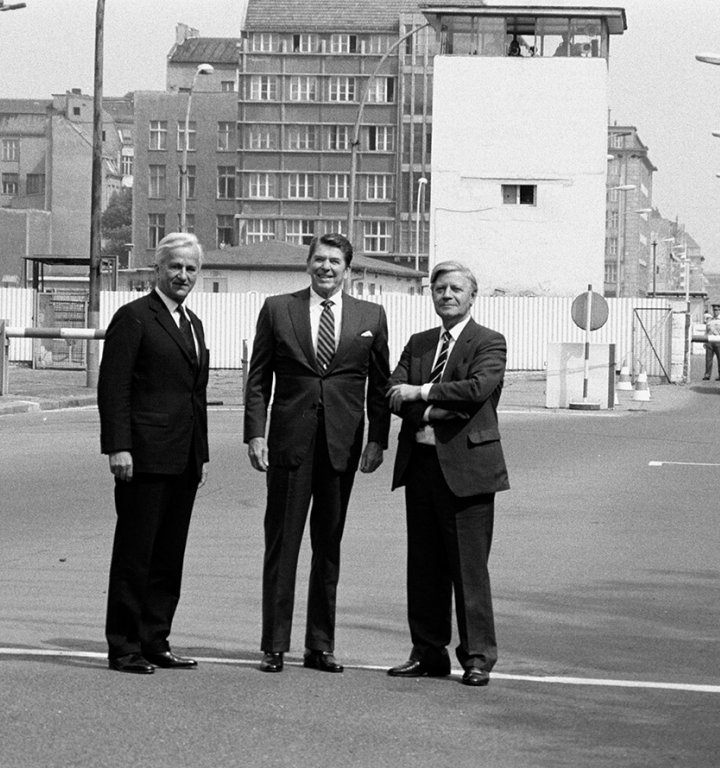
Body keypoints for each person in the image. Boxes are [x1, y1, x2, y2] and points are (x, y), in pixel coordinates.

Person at [243, 233, 390, 674]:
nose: (326, 267)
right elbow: (258, 379)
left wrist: (378, 439)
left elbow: (379, 386)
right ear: (308, 264)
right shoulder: (278, 309)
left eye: (335, 261)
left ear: (348, 269)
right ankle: (274, 644)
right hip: (290, 443)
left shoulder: (371, 316)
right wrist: (255, 434)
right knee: (283, 544)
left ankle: (320, 645)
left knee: (328, 546)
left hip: (341, 446)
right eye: (319, 259)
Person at [385, 261, 509, 687]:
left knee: (468, 570)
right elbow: (391, 393)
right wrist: (433, 409)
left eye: (456, 288)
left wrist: (420, 393)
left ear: (472, 296)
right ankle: (427, 652)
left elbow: (476, 392)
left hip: (468, 472)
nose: (447, 295)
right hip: (420, 468)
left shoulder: (488, 342)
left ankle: (477, 658)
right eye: (440, 289)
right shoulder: (419, 344)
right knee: (423, 567)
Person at [98, 232, 209, 675]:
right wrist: (118, 447)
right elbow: (114, 387)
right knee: (135, 553)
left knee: (168, 555)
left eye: (190, 268)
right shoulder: (134, 318)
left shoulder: (193, 323)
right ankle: (124, 646)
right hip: (142, 457)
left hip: (183, 458)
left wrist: (200, 455)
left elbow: (194, 395)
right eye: (175, 266)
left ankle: (155, 638)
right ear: (157, 269)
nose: (183, 275)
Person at [703, 304, 720, 381]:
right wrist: (705, 341)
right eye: (714, 310)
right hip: (710, 341)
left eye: (717, 310)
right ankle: (707, 374)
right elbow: (706, 331)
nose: (716, 311)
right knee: (708, 359)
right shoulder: (710, 320)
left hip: (719, 341)